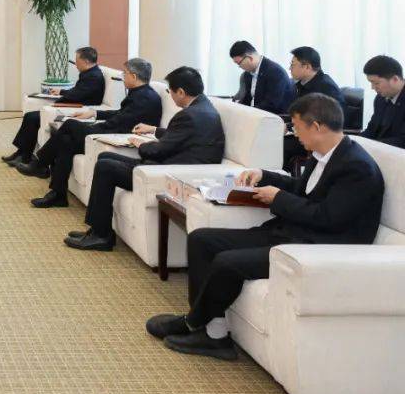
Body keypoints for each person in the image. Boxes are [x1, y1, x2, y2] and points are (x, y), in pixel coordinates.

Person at [146, 93, 384, 360]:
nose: (294, 134)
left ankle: (194, 324)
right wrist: (264, 175)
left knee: (227, 262)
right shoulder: (323, 154)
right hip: (291, 232)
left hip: (315, 248)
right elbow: (302, 189)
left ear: (317, 127)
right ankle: (212, 330)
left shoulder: (357, 167)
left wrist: (278, 198)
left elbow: (328, 217)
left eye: (297, 127)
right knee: (201, 239)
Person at [66, 66, 225, 251]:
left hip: (168, 171)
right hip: (171, 164)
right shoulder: (202, 108)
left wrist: (141, 145)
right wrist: (154, 130)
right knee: (105, 157)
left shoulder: (189, 115)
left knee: (106, 167)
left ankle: (101, 235)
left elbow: (158, 151)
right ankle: (96, 229)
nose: (170, 96)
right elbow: (181, 135)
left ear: (181, 92)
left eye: (170, 92)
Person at [24, 58, 162, 208]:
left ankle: (40, 163)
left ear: (134, 76)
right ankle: (58, 194)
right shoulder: (141, 93)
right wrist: (94, 113)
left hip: (114, 135)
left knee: (70, 124)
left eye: (125, 73)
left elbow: (121, 123)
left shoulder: (144, 98)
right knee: (65, 141)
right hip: (112, 129)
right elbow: (121, 114)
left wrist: (95, 126)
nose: (123, 77)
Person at [2, 47, 106, 165]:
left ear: (86, 61)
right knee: (30, 117)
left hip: (76, 109)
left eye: (77, 60)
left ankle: (24, 155)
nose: (75, 64)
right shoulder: (90, 73)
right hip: (69, 106)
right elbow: (78, 91)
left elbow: (76, 95)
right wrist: (61, 92)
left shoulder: (93, 77)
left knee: (32, 117)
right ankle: (22, 153)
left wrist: (58, 102)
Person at [282, 46, 345, 171]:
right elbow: (298, 113)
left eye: (293, 65)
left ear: (307, 67)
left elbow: (326, 121)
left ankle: (284, 180)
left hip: (318, 136)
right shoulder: (302, 85)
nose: (290, 69)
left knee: (281, 146)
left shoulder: (326, 87)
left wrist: (290, 126)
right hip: (303, 131)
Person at [229, 40, 295, 114]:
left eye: (239, 63)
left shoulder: (275, 72)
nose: (239, 67)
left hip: (276, 116)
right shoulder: (247, 75)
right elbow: (247, 99)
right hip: (259, 114)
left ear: (250, 58)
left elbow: (271, 104)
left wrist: (250, 112)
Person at [360, 55, 405, 148]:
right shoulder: (380, 99)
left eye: (376, 83)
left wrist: (372, 145)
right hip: (380, 150)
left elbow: (402, 140)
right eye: (371, 83)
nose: (372, 87)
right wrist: (355, 141)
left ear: (395, 79)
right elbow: (371, 129)